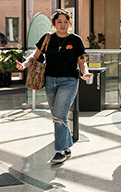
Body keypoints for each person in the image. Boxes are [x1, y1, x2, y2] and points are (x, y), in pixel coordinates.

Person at [16, 9, 92, 164]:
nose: (63, 25)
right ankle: (67, 145)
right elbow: (35, 57)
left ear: (69, 23)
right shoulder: (47, 38)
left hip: (69, 81)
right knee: (57, 115)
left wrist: (85, 73)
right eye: (59, 22)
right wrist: (24, 65)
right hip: (50, 81)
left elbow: (82, 61)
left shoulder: (76, 40)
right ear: (54, 24)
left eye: (65, 21)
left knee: (59, 115)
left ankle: (60, 151)